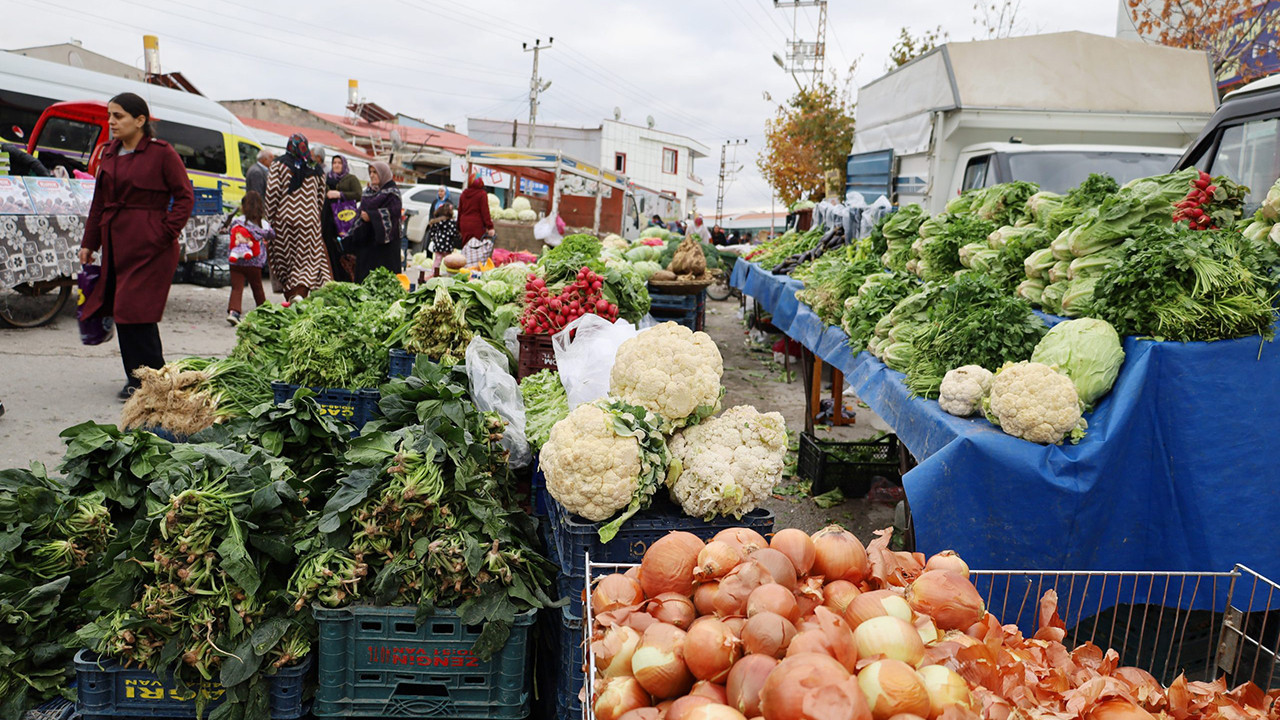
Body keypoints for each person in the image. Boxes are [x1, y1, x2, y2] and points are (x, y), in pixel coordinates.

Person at [78, 92, 194, 400]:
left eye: (118, 116)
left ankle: (149, 380)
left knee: (135, 310)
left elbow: (185, 197)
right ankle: (143, 378)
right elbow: (99, 202)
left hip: (151, 247)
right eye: (110, 115)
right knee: (123, 310)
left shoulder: (162, 153)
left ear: (140, 120)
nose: (111, 122)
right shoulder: (109, 153)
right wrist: (90, 242)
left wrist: (164, 232)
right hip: (116, 243)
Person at [265, 133, 330, 301]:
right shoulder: (316, 168)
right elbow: (320, 197)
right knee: (307, 261)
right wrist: (314, 215)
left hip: (284, 221)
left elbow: (272, 193)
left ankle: (291, 296)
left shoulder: (278, 164)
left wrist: (269, 220)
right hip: (310, 221)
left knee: (286, 261)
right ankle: (300, 295)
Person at [343, 160, 403, 282]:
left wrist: (372, 216)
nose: (372, 175)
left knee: (384, 282)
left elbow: (393, 213)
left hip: (386, 248)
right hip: (367, 245)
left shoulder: (392, 193)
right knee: (365, 281)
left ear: (383, 174)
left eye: (375, 172)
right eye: (370, 172)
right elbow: (360, 213)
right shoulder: (367, 193)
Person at [226, 190, 272, 325]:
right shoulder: (263, 224)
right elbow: (271, 235)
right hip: (254, 262)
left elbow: (230, 232)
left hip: (236, 262)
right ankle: (265, 312)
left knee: (236, 288)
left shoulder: (236, 221)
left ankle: (234, 312)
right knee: (257, 287)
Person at [322, 155, 361, 282]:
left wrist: (340, 194)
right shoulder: (327, 179)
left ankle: (348, 278)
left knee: (345, 249)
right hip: (329, 220)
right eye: (334, 163)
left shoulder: (351, 179)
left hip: (345, 219)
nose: (337, 165)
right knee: (331, 249)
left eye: (339, 163)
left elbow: (358, 194)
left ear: (344, 164)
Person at [457, 175, 494, 249]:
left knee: (466, 247)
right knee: (476, 248)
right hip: (476, 225)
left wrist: (458, 227)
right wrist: (490, 227)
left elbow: (460, 211)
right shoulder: (482, 194)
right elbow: (485, 212)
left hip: (464, 224)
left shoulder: (463, 194)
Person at [425, 200, 460, 276]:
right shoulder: (451, 222)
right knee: (448, 261)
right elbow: (454, 233)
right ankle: (449, 274)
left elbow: (432, 232)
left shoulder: (436, 222)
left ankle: (434, 273)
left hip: (438, 245)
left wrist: (434, 239)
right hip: (447, 245)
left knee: (437, 260)